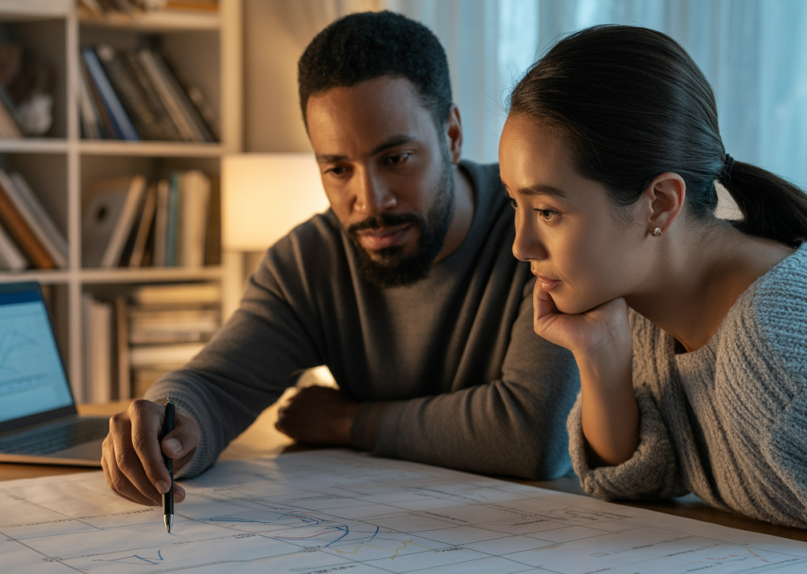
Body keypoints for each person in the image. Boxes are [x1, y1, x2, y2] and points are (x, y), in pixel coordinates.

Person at [101, 11, 579, 507]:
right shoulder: (309, 261)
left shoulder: (540, 233)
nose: (369, 202)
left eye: (395, 159)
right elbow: (218, 384)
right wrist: (167, 425)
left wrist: (348, 420)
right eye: (337, 169)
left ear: (452, 136)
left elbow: (535, 432)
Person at [499, 24, 807, 554]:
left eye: (547, 211)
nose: (521, 245)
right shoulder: (646, 299)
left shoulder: (786, 347)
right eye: (514, 204)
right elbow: (638, 481)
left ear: (661, 203)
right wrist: (600, 357)